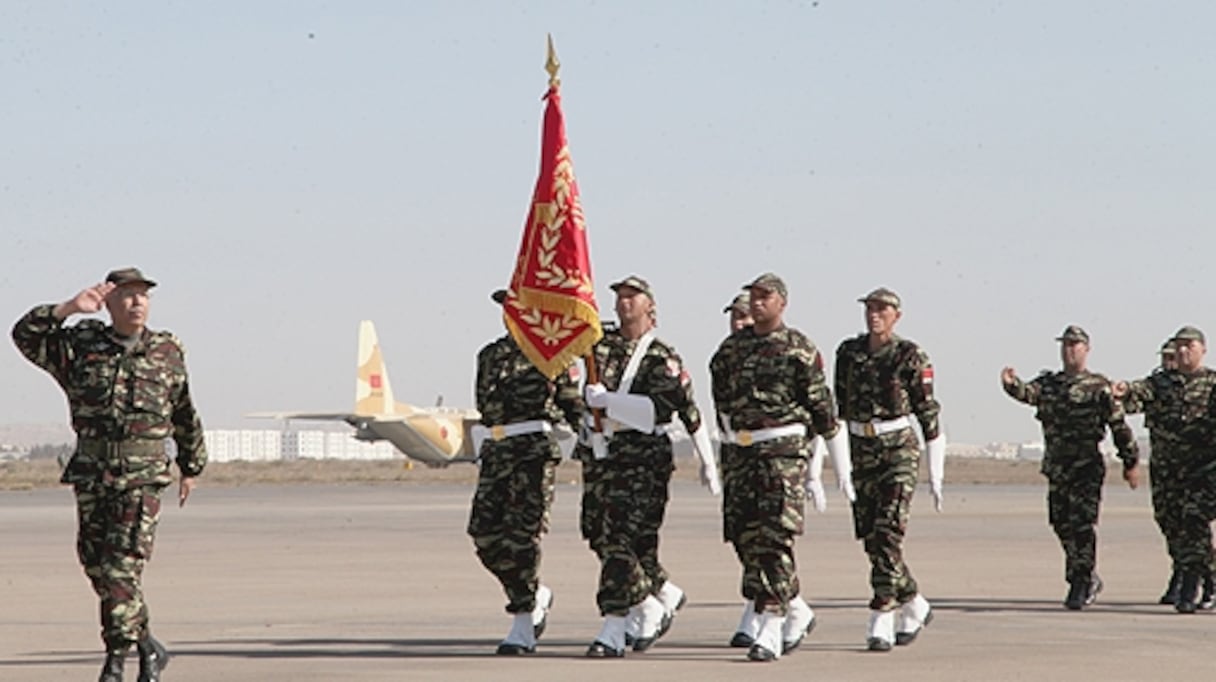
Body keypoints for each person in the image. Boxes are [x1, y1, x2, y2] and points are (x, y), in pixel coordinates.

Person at [11, 267, 206, 682]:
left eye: (143, 296)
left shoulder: (166, 350)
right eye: (128, 296)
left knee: (122, 567)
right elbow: (24, 336)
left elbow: (184, 410)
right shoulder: (82, 346)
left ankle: (117, 662)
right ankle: (148, 643)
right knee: (97, 564)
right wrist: (67, 308)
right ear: (108, 303)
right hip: (93, 474)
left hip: (143, 476)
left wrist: (191, 465)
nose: (138, 303)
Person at [711, 273, 852, 662]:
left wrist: (835, 469)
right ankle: (796, 607)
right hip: (740, 453)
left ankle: (771, 624)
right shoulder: (731, 349)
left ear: (782, 303)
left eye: (765, 296)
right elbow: (720, 396)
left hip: (781, 452)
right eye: (753, 297)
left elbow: (823, 411)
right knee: (744, 537)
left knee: (774, 537)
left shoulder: (799, 348)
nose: (756, 303)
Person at [578, 275, 720, 658]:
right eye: (620, 297)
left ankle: (615, 623)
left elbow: (662, 410)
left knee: (619, 538)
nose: (624, 303)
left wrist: (708, 462)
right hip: (601, 453)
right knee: (597, 531)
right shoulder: (597, 346)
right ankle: (654, 597)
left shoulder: (661, 358)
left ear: (650, 306)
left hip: (641, 457)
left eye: (632, 297)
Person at [466, 289, 582, 654]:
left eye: (518, 307)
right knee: (484, 535)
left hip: (533, 452)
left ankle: (523, 621)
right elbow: (485, 406)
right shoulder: (490, 355)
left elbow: (572, 404)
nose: (510, 313)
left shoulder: (552, 354)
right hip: (497, 451)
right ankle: (533, 592)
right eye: (506, 307)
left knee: (522, 538)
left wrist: (595, 441)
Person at [1002, 325, 1139, 612]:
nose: (1070, 349)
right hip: (1057, 466)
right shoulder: (1050, 384)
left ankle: (1081, 579)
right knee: (1060, 522)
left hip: (1086, 466)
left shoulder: (1099, 386)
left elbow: (1118, 425)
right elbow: (1029, 394)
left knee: (1082, 524)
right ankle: (1083, 571)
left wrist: (1130, 461)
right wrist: (1011, 384)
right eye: (1065, 344)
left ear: (1086, 350)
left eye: (1076, 345)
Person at [835, 287, 942, 652]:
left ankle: (882, 613)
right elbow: (838, 409)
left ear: (897, 315)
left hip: (898, 450)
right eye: (869, 308)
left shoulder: (909, 355)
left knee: (888, 531)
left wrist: (936, 471)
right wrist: (831, 459)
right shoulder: (848, 353)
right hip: (859, 449)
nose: (874, 314)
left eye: (882, 309)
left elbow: (928, 411)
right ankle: (913, 600)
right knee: (871, 537)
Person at [1114, 327, 1216, 613]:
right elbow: (1139, 391)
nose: (1183, 351)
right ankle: (1206, 574)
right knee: (1171, 524)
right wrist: (1125, 389)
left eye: (1189, 345)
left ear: (1202, 349)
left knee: (1194, 521)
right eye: (1179, 346)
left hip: (1202, 471)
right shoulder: (1161, 383)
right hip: (1166, 471)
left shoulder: (1212, 384)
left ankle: (1191, 584)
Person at [1119, 340, 1187, 605]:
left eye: (1174, 357)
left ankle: (1194, 574)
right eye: (1166, 357)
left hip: (1194, 469)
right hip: (1163, 467)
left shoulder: (1198, 387)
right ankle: (1180, 568)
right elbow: (1132, 399)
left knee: (1192, 523)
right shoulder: (1155, 387)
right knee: (1167, 520)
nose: (1170, 362)